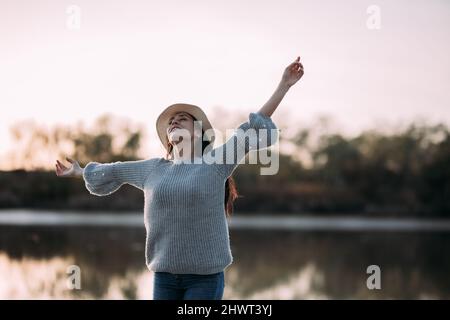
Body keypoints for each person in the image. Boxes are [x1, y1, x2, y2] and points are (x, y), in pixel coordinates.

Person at [55, 56, 304, 300]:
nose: (174, 122)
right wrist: (78, 171)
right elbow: (114, 171)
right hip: (164, 276)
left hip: (205, 278)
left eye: (181, 119)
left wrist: (283, 85)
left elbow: (249, 129)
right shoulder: (153, 169)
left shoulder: (216, 163)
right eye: (171, 122)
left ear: (197, 131)